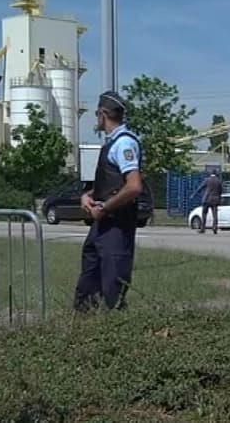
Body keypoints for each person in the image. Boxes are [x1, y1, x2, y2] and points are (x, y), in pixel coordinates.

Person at [75, 91, 144, 311]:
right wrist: (89, 195)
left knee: (113, 288)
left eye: (97, 114)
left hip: (116, 225)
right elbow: (112, 182)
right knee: (89, 280)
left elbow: (133, 186)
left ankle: (113, 331)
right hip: (103, 225)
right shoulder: (112, 143)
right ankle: (84, 324)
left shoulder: (123, 144)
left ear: (103, 114)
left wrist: (104, 207)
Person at [190, 169, 223, 234]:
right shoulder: (219, 181)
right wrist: (219, 196)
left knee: (204, 214)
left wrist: (193, 194)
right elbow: (221, 191)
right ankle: (214, 228)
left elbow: (200, 187)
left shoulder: (207, 180)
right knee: (215, 215)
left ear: (210, 173)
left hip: (207, 199)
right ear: (216, 174)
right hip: (215, 200)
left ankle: (203, 228)